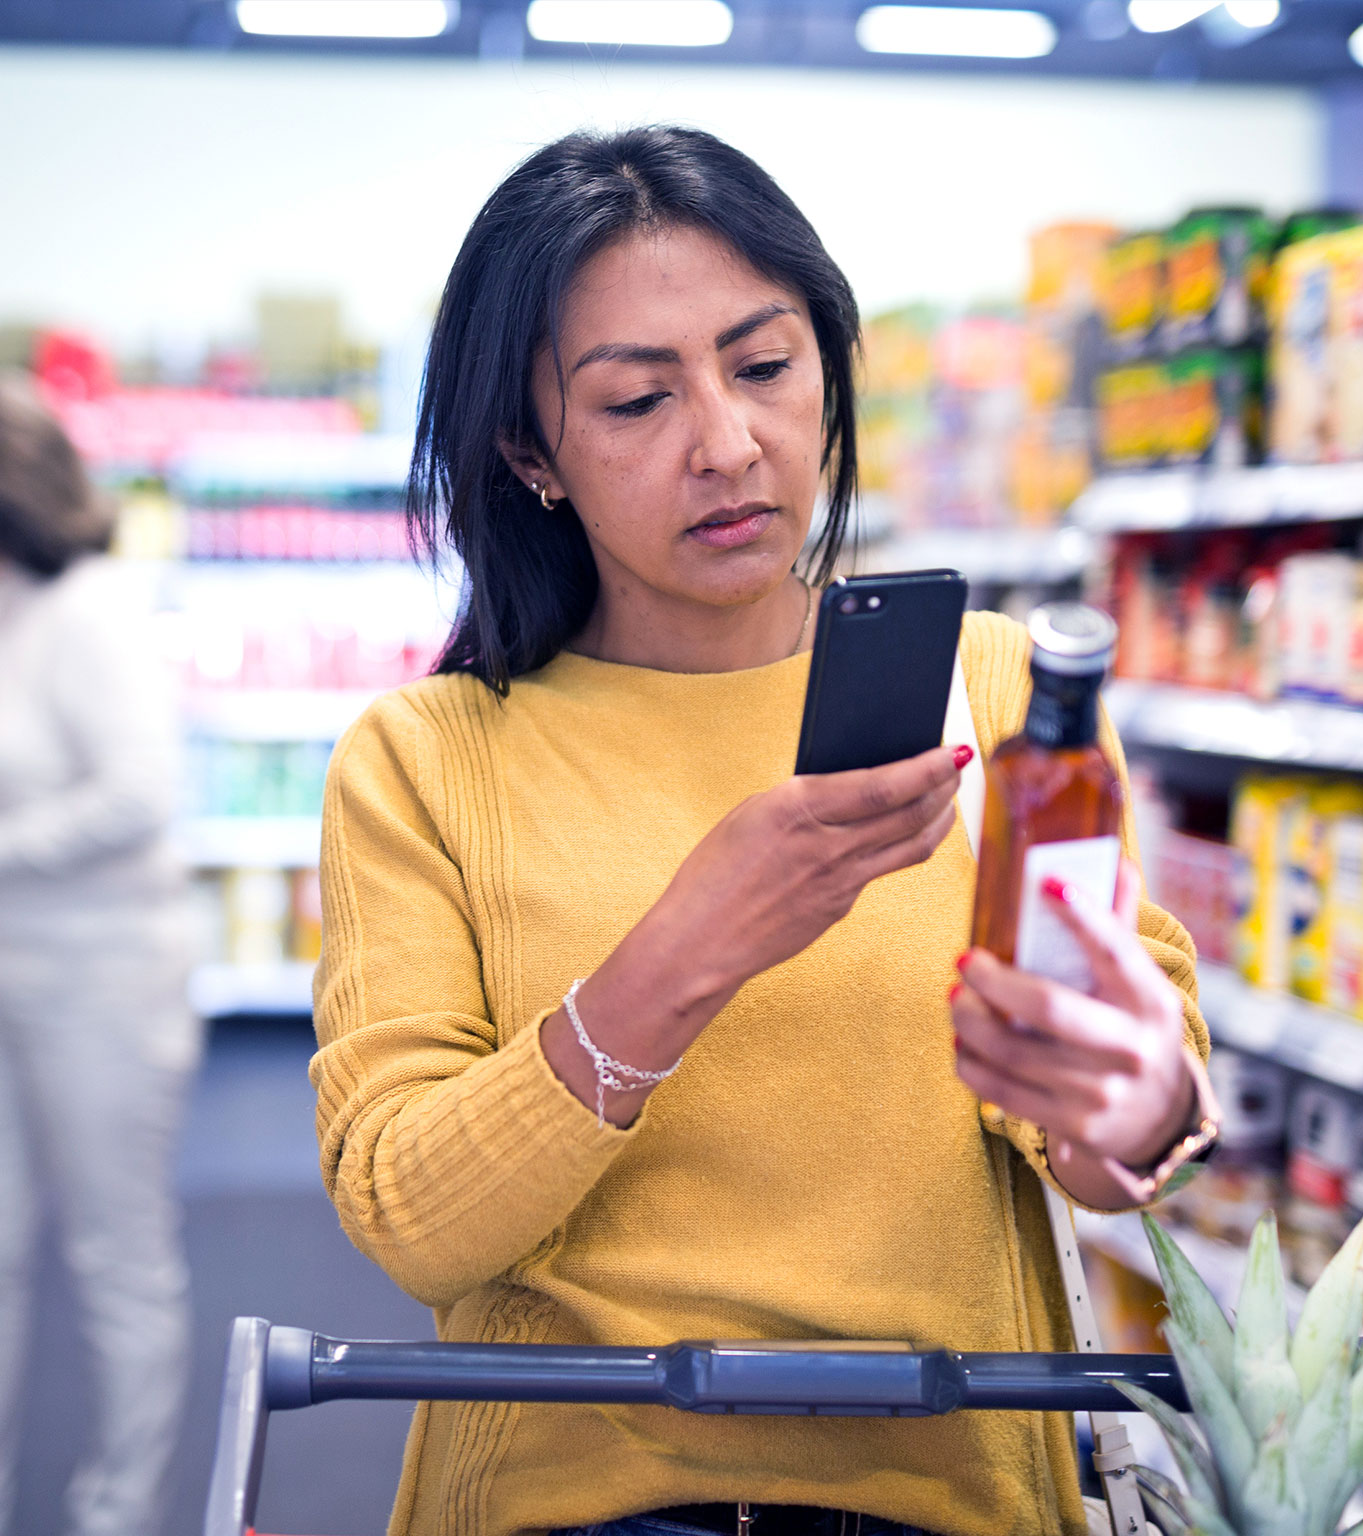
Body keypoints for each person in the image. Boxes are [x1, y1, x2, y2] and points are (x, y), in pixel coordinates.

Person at [311, 125, 1212, 1536]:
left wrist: (1142, 1095)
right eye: (634, 403)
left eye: (764, 366)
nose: (727, 446)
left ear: (829, 376)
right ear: (528, 452)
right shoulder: (429, 761)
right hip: (570, 1505)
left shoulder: (996, 691)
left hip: (956, 1487)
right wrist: (688, 948)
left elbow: (1101, 1151)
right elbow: (413, 1218)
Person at [0, 374, 199, 1536]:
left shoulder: (89, 611)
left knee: (116, 1254)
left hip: (107, 974)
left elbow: (139, 793)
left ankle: (117, 1514)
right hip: (13, 960)